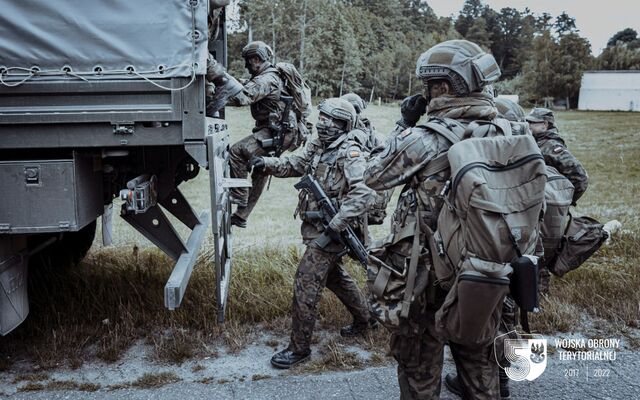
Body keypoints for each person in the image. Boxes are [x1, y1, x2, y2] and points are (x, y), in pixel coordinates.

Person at [364, 39, 505, 399]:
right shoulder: (510, 131)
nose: (425, 93)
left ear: (443, 86)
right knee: (479, 365)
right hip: (486, 274)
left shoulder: (426, 138)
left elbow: (373, 175)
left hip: (427, 280)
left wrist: (403, 123)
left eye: (428, 86)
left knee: (420, 370)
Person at [254, 98, 376, 369]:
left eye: (329, 120)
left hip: (332, 233)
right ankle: (367, 320)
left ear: (343, 124)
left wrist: (336, 224)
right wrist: (265, 162)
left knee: (305, 284)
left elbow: (364, 193)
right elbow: (296, 164)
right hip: (318, 229)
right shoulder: (319, 146)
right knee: (335, 277)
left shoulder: (349, 152)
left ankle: (299, 349)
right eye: (321, 118)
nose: (322, 124)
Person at [225, 41, 299, 228]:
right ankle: (242, 215)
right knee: (261, 169)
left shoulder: (267, 79)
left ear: (256, 59)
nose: (246, 66)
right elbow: (248, 85)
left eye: (248, 61)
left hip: (276, 131)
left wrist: (212, 97)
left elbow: (242, 98)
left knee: (237, 151)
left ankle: (240, 196)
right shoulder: (268, 75)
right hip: (281, 131)